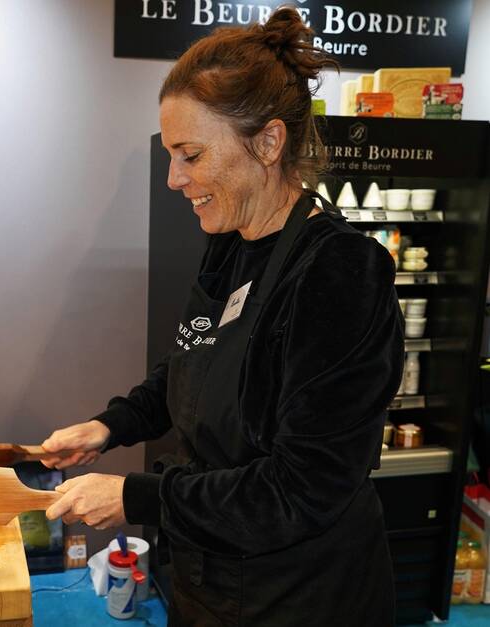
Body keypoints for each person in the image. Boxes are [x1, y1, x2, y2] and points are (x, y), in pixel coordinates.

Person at [40, 8, 403, 626]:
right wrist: (111, 426)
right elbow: (192, 364)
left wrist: (135, 495)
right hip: (212, 575)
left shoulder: (340, 275)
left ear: (268, 143)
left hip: (301, 594)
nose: (174, 178)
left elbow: (301, 490)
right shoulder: (232, 243)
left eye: (191, 155)